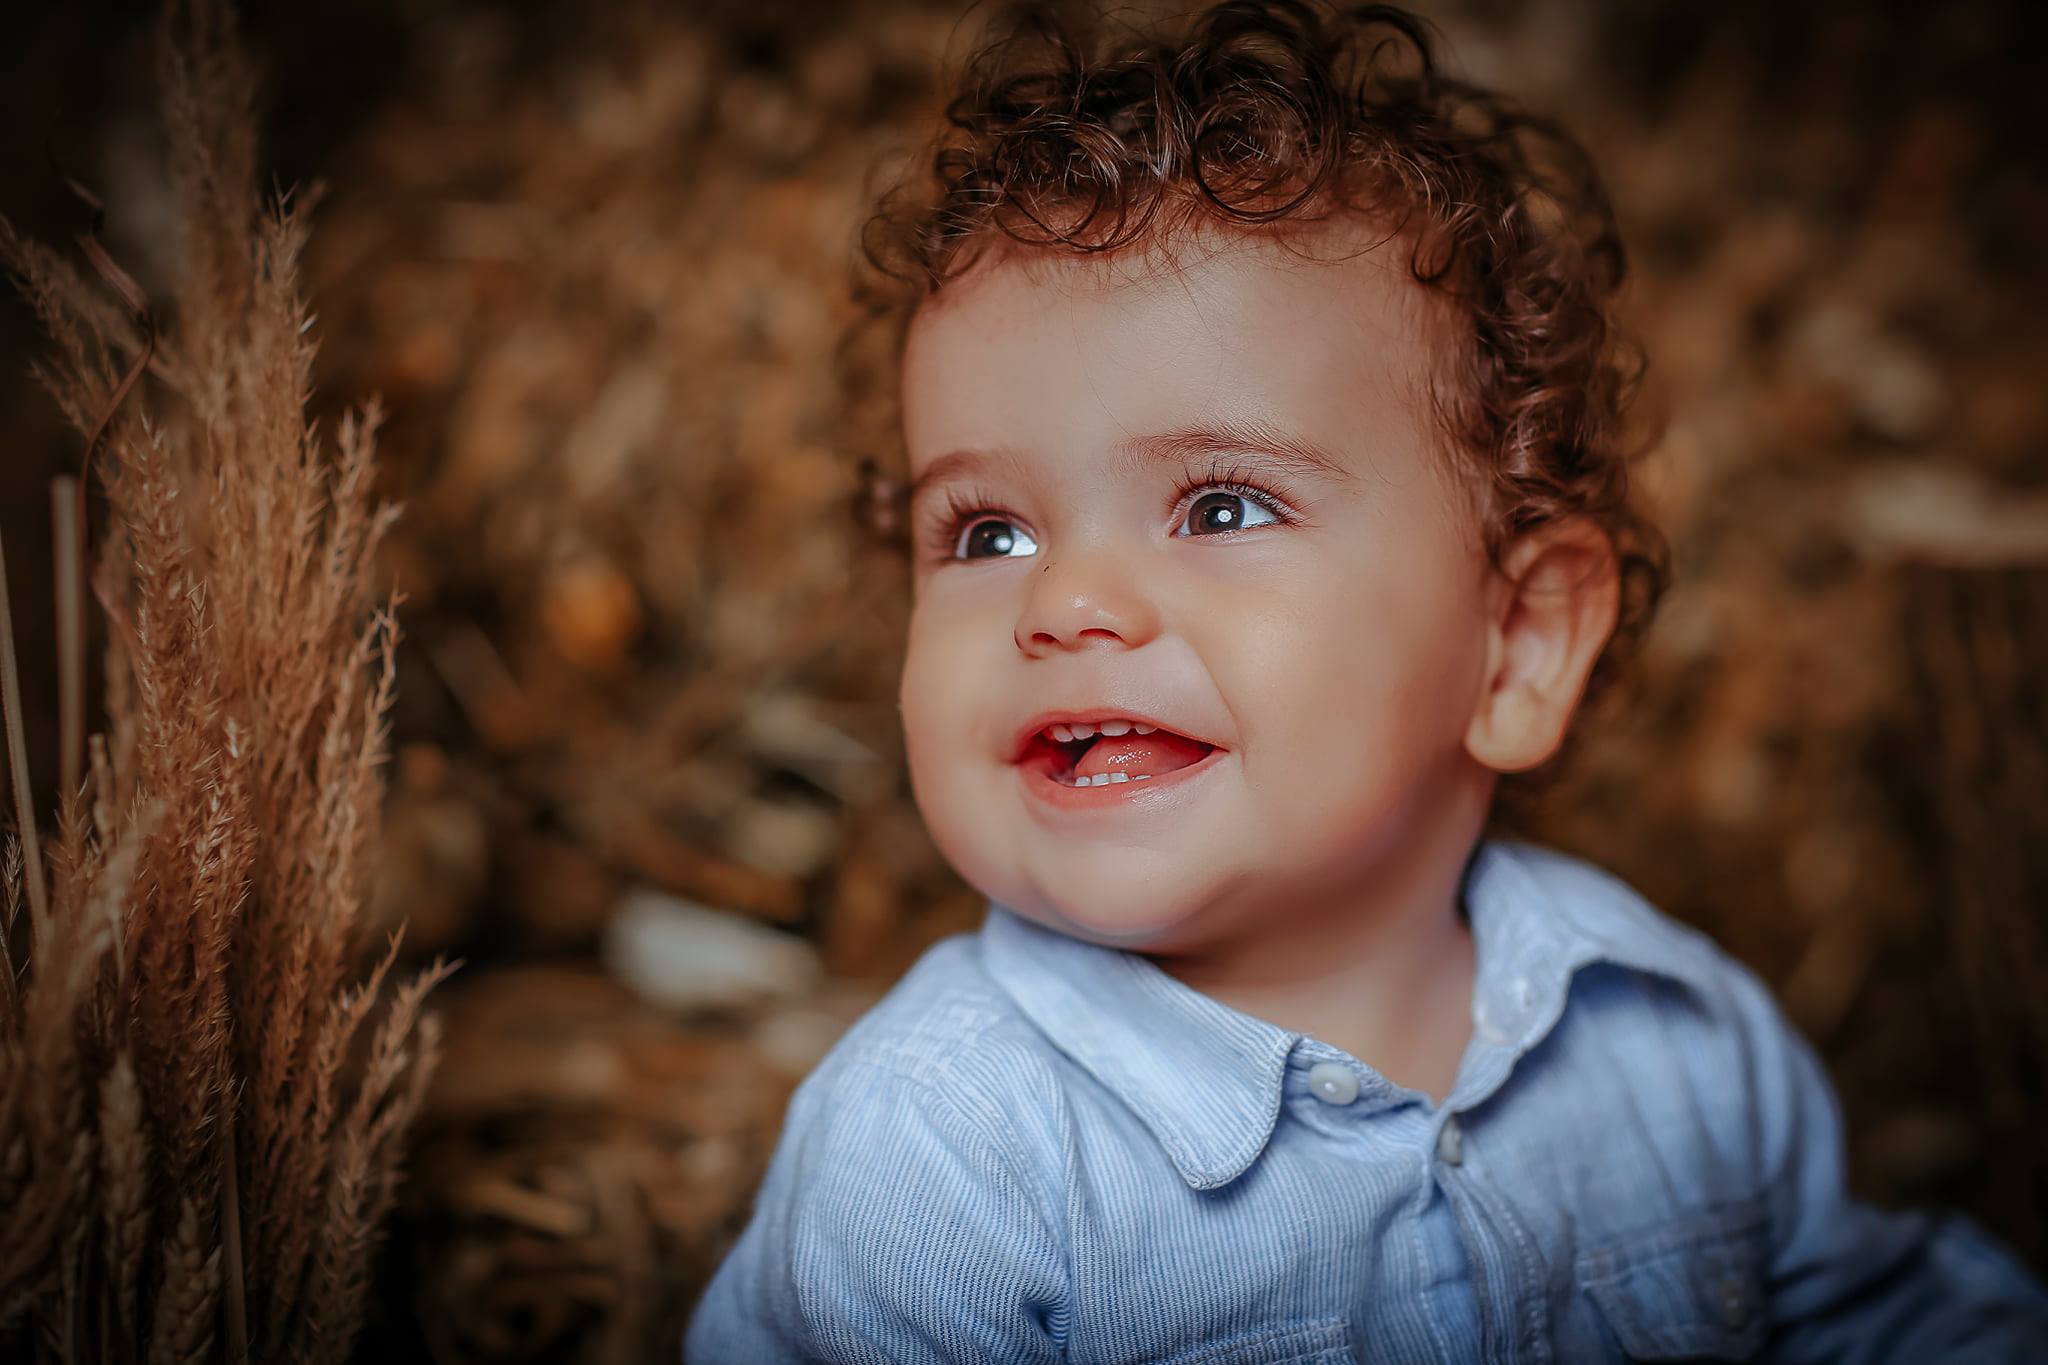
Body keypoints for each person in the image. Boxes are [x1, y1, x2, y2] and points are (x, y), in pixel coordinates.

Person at [685, 1, 2048, 1359]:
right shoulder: (938, 1162)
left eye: (1219, 507)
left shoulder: (1676, 1045)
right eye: (990, 532)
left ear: (1515, 645)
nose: (1065, 601)